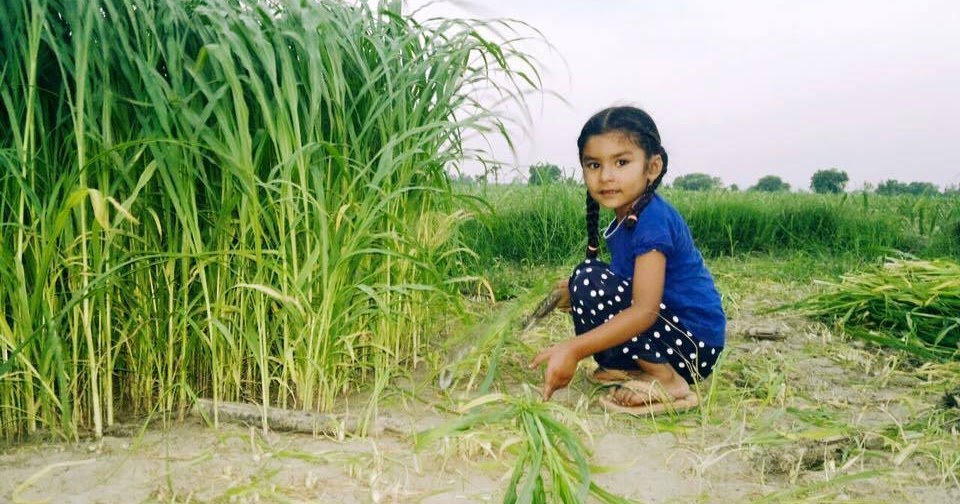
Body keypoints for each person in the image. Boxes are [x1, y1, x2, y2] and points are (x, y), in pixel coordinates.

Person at [529, 106, 726, 415]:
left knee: (589, 278)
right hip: (670, 333)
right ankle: (635, 369)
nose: (606, 176)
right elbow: (627, 285)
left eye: (621, 162)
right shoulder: (629, 218)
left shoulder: (653, 221)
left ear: (653, 167)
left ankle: (669, 380)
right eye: (594, 165)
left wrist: (573, 348)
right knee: (584, 279)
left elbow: (644, 311)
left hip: (693, 345)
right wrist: (574, 291)